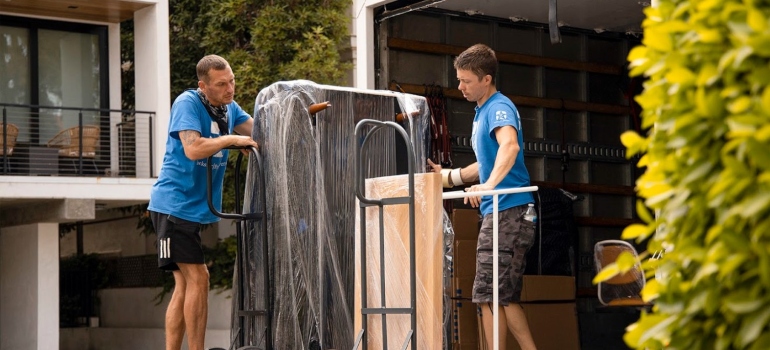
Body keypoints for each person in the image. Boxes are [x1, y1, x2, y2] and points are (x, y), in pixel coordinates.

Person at [428, 43, 537, 350]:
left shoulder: (499, 108)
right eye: (459, 79)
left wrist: (489, 185)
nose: (459, 86)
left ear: (486, 79)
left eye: (466, 80)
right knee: (496, 295)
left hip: (510, 211)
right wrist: (449, 177)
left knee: (491, 294)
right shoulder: (482, 112)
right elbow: (485, 164)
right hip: (501, 211)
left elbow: (509, 147)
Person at [148, 54, 259, 350]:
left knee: (184, 284)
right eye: (222, 84)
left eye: (232, 81)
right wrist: (231, 141)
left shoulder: (229, 109)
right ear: (203, 86)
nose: (230, 88)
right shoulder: (188, 103)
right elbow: (193, 148)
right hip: (173, 205)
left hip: (193, 209)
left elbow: (261, 131)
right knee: (199, 277)